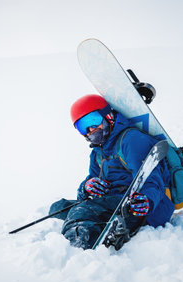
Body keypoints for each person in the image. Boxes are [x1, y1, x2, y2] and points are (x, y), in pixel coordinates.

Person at [49, 94, 175, 249]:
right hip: (110, 202)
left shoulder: (131, 140)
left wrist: (146, 201)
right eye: (82, 127)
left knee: (82, 211)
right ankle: (105, 227)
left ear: (107, 116)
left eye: (92, 121)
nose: (90, 130)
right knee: (57, 208)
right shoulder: (97, 152)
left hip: (138, 206)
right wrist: (87, 186)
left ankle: (81, 248)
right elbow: (91, 180)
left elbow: (152, 180)